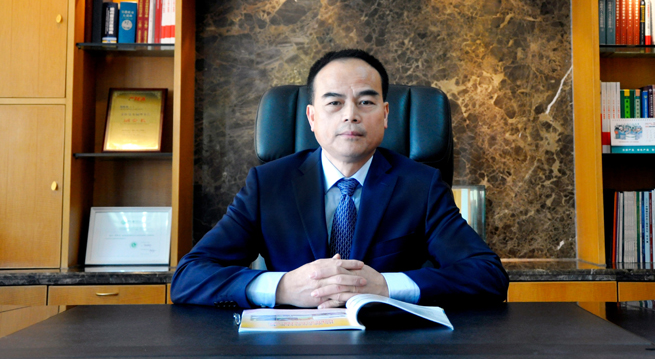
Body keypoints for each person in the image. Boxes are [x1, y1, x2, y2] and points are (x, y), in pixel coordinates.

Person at [171, 49, 509, 309]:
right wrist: (283, 287)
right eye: (334, 102)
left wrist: (386, 287)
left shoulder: (421, 186)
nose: (351, 114)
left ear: (386, 115)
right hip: (292, 349)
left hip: (389, 347)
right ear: (312, 117)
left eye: (366, 101)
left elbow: (487, 274)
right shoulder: (267, 184)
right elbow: (189, 277)